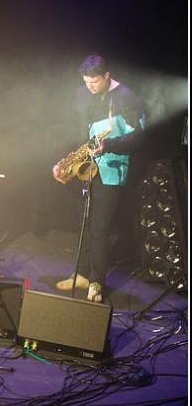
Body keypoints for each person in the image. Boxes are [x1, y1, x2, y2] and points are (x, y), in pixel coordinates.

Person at [53, 54, 145, 303]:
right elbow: (82, 136)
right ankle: (82, 274)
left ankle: (96, 282)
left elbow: (139, 136)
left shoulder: (126, 97)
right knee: (86, 223)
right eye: (86, 82)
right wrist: (67, 164)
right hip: (89, 168)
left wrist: (108, 144)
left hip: (112, 170)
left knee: (100, 228)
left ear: (106, 76)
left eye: (94, 82)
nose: (89, 87)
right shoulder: (87, 96)